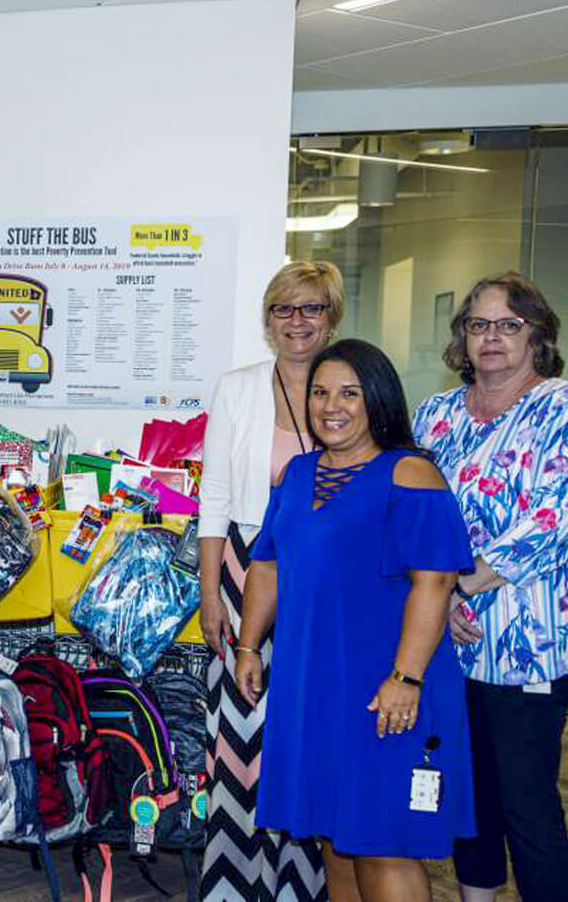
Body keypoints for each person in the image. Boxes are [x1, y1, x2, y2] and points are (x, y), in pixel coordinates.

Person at [235, 338, 476, 902]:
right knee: (335, 838)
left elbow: (434, 582)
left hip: (388, 686)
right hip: (315, 683)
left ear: (379, 401)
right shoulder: (296, 475)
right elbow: (267, 565)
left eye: (350, 392)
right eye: (320, 392)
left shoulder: (410, 475)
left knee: (383, 842)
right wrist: (249, 647)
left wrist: (406, 678)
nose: (331, 406)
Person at [198, 260, 352, 902]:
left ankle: (298, 886)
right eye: (285, 309)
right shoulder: (237, 388)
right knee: (238, 734)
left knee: (306, 730)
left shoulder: (350, 388)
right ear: (268, 320)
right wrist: (210, 594)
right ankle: (233, 885)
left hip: (327, 583)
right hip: (241, 567)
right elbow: (214, 497)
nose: (298, 322)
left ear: (331, 317)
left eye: (311, 308)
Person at [413, 272, 568, 902]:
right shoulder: (437, 414)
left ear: (537, 335)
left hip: (525, 642)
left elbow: (553, 516)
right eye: (479, 325)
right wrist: (438, 597)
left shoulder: (558, 406)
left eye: (509, 324)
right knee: (466, 793)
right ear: (463, 337)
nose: (492, 337)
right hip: (444, 642)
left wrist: (459, 587)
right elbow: (412, 514)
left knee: (528, 804)